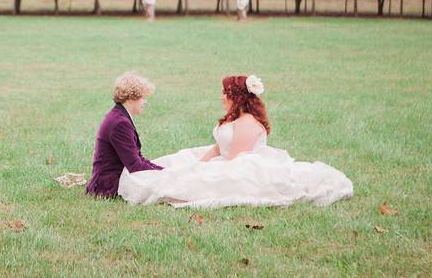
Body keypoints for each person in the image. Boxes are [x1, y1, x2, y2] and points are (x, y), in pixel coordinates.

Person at [118, 74, 353, 208]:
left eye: (226, 94)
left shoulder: (247, 123)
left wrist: (205, 169)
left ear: (237, 97)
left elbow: (234, 160)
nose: (222, 98)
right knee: (181, 162)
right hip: (227, 158)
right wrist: (200, 162)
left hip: (242, 165)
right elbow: (219, 148)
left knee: (199, 180)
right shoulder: (235, 118)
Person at [86, 71, 163, 198]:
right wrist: (164, 174)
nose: (145, 102)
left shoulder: (120, 116)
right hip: (108, 185)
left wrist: (160, 169)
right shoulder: (119, 123)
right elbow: (135, 166)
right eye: (143, 97)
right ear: (132, 98)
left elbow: (137, 158)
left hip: (115, 177)